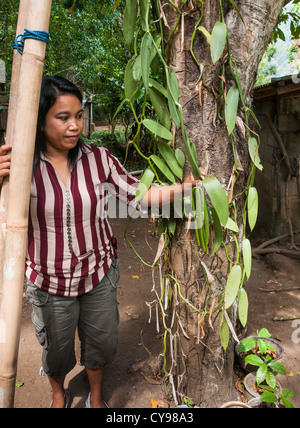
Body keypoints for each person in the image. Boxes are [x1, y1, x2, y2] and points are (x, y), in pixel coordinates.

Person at [0, 75, 200, 408]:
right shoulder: (21, 166)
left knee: (101, 342)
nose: (75, 125)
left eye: (79, 116)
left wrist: (184, 189)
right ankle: (57, 392)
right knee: (55, 348)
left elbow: (139, 194)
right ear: (40, 120)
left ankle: (95, 396)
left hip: (98, 273)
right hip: (48, 281)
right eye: (63, 117)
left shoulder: (98, 159)